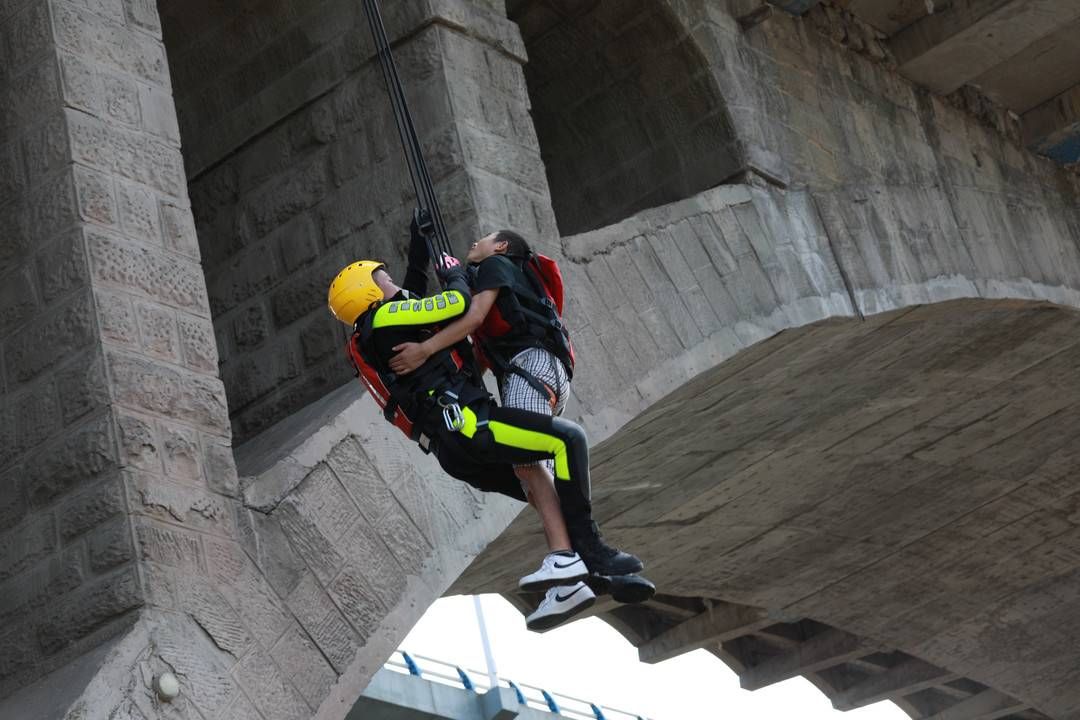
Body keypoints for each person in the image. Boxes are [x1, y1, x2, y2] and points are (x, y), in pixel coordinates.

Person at [327, 214, 639, 630]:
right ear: (367, 291)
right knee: (566, 443)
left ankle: (573, 579)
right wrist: (455, 274)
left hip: (453, 447)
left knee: (539, 481)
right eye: (382, 279)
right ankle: (586, 555)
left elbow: (414, 291)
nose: (391, 284)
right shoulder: (384, 318)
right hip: (469, 425)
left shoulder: (375, 332)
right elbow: (456, 304)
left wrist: (419, 247)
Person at [385, 229, 644, 583]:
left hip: (529, 369)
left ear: (502, 246)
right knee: (531, 469)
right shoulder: (514, 281)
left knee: (529, 462)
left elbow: (474, 318)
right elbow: (482, 356)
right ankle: (584, 562)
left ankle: (577, 551)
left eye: (484, 238)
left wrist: (425, 351)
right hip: (543, 373)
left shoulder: (496, 265)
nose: (474, 242)